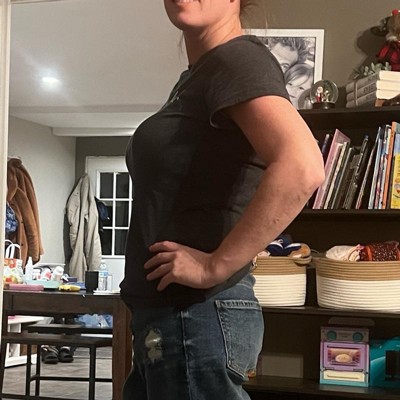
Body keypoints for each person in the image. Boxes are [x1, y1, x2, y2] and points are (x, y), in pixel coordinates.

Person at [120, 1, 325, 399]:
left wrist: (214, 266)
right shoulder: (200, 75)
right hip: (172, 321)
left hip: (193, 317)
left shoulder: (236, 59)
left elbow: (302, 166)